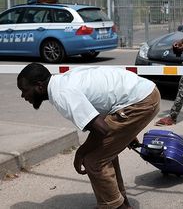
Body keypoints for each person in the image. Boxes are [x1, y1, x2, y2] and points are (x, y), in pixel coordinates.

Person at [17, 63, 160, 209]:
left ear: (39, 86)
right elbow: (101, 112)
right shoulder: (62, 81)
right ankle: (119, 202)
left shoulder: (62, 94)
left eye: (24, 90)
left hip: (140, 101)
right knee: (103, 152)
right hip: (143, 93)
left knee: (93, 160)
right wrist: (124, 134)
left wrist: (80, 153)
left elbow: (101, 129)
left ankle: (116, 206)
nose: (23, 96)